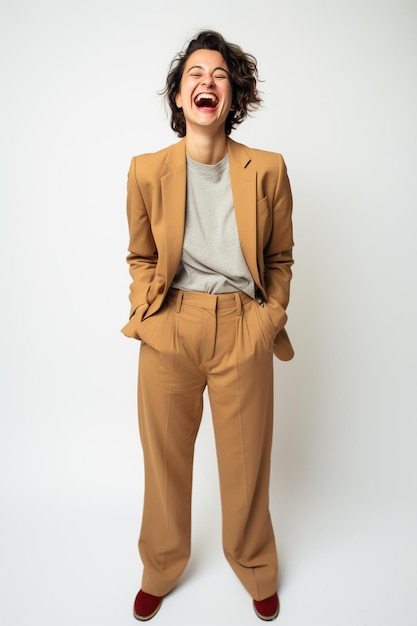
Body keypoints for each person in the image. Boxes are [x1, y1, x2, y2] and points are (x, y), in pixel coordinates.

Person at [122, 29, 294, 622]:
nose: (207, 82)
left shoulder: (266, 169)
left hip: (243, 324)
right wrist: (149, 312)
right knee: (164, 460)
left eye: (219, 74)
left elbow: (280, 258)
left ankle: (254, 565)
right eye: (195, 73)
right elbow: (142, 256)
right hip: (171, 326)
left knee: (247, 463)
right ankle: (161, 566)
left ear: (232, 95)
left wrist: (269, 317)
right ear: (178, 97)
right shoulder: (146, 172)